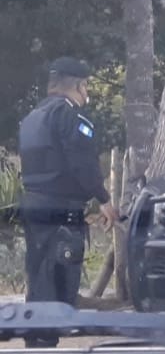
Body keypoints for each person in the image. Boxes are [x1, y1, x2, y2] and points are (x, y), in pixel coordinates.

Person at [18, 57, 118, 348]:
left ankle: (35, 337)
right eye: (86, 86)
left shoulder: (33, 116)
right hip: (61, 208)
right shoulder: (70, 116)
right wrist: (104, 199)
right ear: (79, 85)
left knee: (39, 274)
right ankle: (46, 339)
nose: (87, 93)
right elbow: (82, 163)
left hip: (33, 204)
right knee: (60, 275)